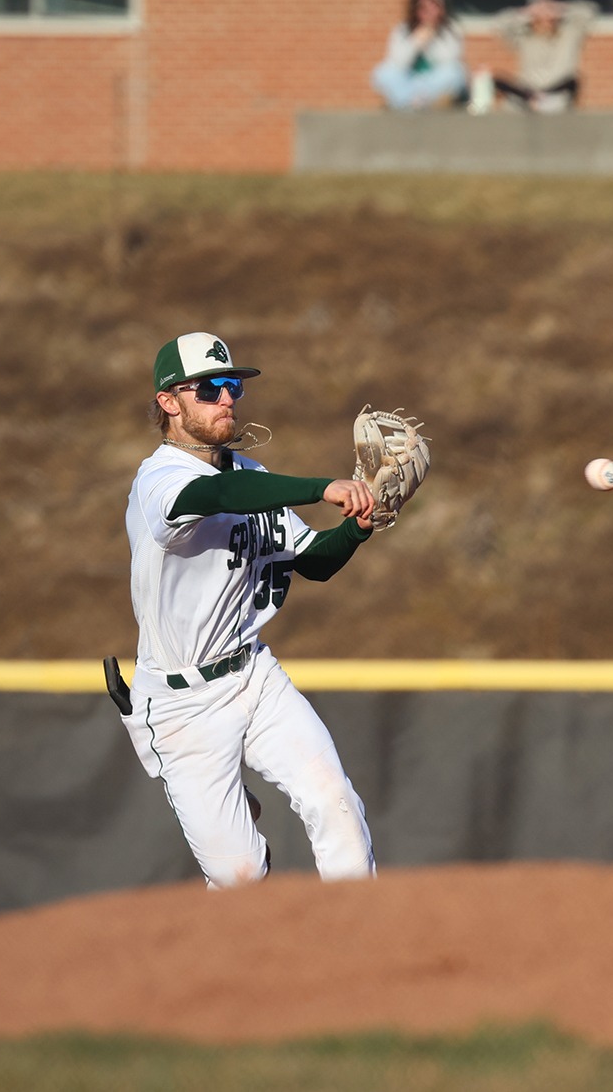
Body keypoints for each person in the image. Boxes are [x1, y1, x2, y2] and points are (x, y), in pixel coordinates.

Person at [121, 332, 380, 888]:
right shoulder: (159, 480)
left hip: (255, 675)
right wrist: (322, 487)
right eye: (208, 388)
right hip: (182, 703)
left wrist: (358, 528)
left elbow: (313, 562)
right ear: (169, 402)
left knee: (335, 801)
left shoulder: (253, 477)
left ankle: (363, 935)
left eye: (232, 386)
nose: (226, 399)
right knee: (240, 878)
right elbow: (215, 497)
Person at [482, 0, 597, 113]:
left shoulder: (569, 33)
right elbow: (498, 23)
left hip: (556, 92)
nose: (545, 22)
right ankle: (533, 99)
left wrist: (557, 7)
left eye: (549, 19)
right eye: (540, 19)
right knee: (494, 80)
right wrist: (529, 10)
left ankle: (541, 100)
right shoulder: (524, 37)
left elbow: (589, 12)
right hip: (528, 91)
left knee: (574, 80)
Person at [372, 0, 467, 111]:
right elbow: (397, 63)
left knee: (454, 71)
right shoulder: (402, 29)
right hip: (409, 82)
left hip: (433, 83)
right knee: (383, 72)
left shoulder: (451, 29)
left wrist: (430, 42)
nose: (429, 11)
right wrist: (415, 42)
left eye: (435, 6)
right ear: (415, 9)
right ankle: (407, 102)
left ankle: (416, 103)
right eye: (423, 8)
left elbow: (450, 60)